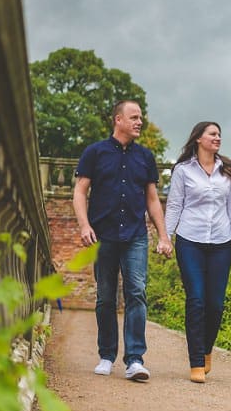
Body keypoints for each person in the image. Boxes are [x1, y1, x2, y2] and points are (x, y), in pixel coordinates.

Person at [73, 100, 173, 381]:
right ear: (118, 120)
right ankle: (106, 355)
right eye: (134, 117)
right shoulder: (95, 153)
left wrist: (163, 235)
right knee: (105, 297)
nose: (139, 122)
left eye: (141, 117)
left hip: (135, 235)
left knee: (137, 293)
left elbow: (152, 200)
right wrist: (84, 225)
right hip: (102, 235)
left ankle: (135, 360)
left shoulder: (145, 157)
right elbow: (80, 192)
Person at [165, 121, 231, 383]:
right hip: (190, 240)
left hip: (221, 242)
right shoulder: (183, 170)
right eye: (212, 134)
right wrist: (166, 236)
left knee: (216, 304)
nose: (218, 138)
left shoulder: (229, 171)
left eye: (220, 134)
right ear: (198, 138)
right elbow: (175, 204)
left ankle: (207, 349)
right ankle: (196, 362)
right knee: (197, 299)